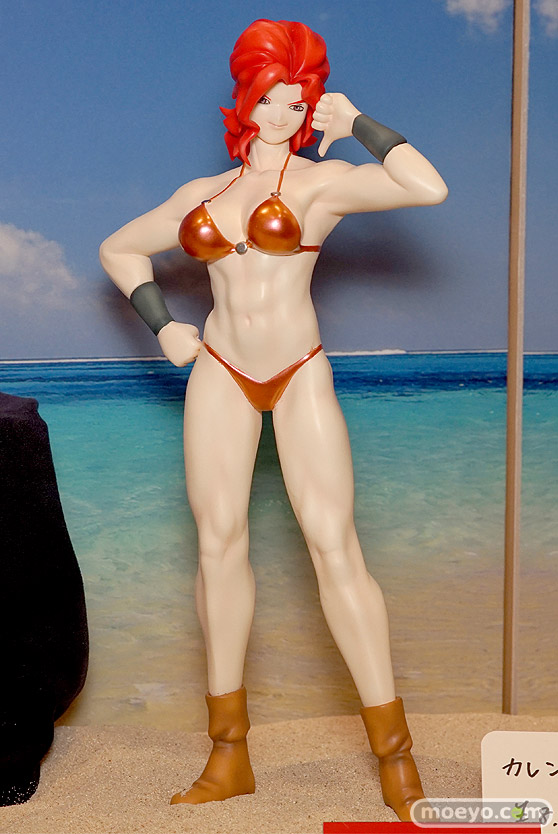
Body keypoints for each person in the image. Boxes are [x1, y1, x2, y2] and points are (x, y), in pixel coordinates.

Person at [99, 18, 447, 821]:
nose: (285, 113)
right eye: (272, 97)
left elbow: (427, 187)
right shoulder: (203, 195)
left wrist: (357, 121)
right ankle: (228, 756)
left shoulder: (322, 185)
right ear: (246, 99)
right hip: (220, 371)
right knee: (218, 547)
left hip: (298, 371)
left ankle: (396, 759)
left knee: (336, 548)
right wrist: (164, 326)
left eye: (300, 100)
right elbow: (119, 249)